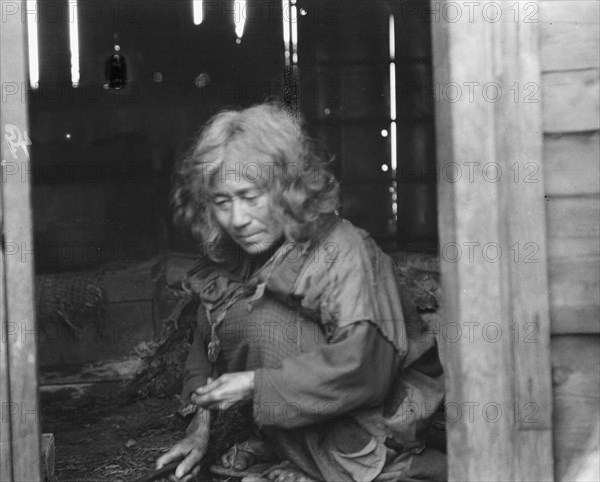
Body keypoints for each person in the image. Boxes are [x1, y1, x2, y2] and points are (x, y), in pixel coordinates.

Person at [156, 102, 446, 482]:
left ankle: (337, 467)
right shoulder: (236, 253)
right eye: (223, 202)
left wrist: (255, 385)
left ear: (287, 189)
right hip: (306, 414)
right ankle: (298, 453)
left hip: (385, 420)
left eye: (250, 197)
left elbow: (365, 367)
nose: (238, 220)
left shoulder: (344, 250)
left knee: (261, 323)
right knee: (240, 318)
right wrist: (200, 426)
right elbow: (206, 338)